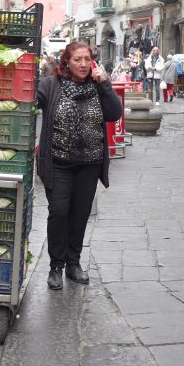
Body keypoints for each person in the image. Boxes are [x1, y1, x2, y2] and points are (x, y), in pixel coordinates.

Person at [36, 42, 122, 291]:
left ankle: (73, 263)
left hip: (90, 164)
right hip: (58, 163)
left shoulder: (97, 87)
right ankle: (56, 266)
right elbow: (33, 101)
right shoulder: (51, 85)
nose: (83, 64)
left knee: (80, 214)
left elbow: (114, 113)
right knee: (59, 211)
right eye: (77, 59)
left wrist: (104, 83)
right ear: (66, 62)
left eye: (87, 59)